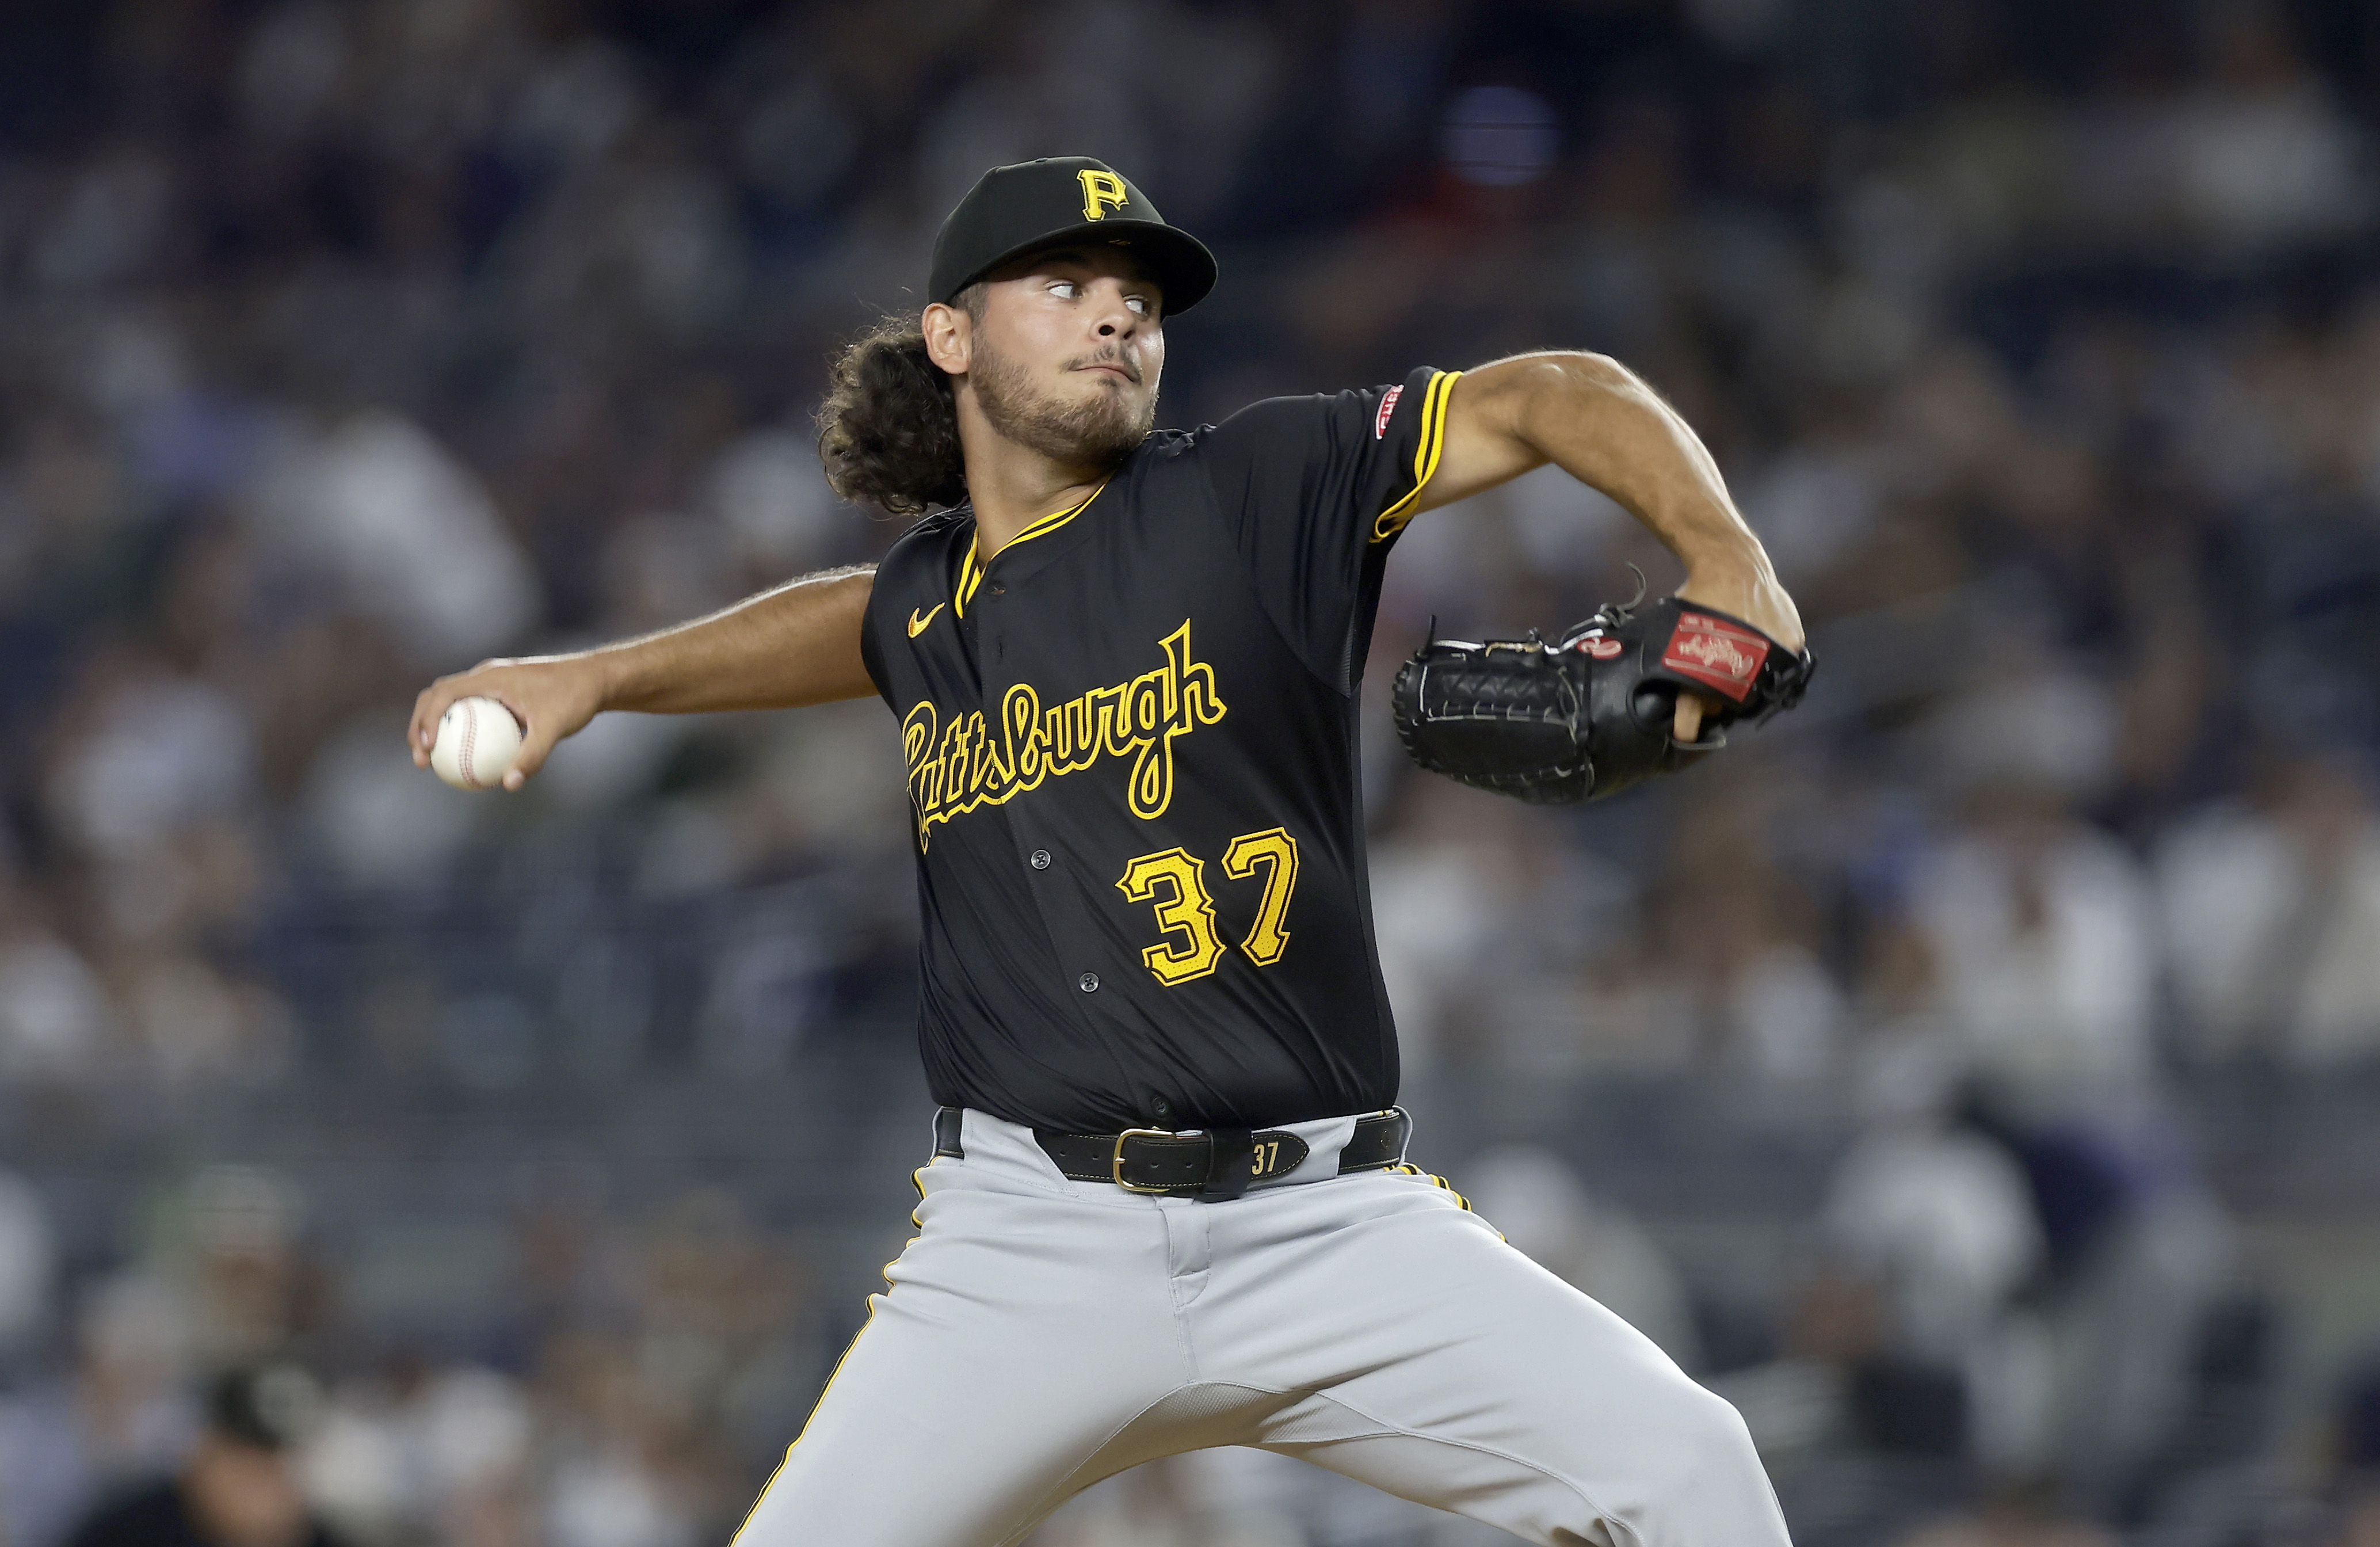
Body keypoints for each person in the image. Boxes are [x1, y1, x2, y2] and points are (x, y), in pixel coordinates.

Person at [411, 157, 1805, 1547]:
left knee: (1687, 1468)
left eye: (1137, 299)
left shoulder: (1259, 489)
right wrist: (593, 676)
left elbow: (1551, 389)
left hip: (1325, 1225)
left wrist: (1720, 553)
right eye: (1063, 286)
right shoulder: (923, 606)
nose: (1113, 318)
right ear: (948, 338)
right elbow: (845, 621)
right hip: (1027, 1246)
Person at [65, 1364, 342, 1547]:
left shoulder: (327, 1539)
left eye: (280, 1464)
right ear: (204, 1452)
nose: (266, 1484)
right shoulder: (126, 1532)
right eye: (247, 1462)